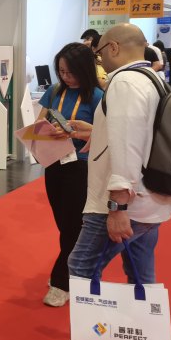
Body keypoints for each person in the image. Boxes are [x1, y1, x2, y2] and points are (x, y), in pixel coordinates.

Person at [34, 24, 171, 340]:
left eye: (100, 51)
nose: (98, 58)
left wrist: (118, 206)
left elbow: (128, 144)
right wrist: (95, 132)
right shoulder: (152, 80)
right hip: (149, 200)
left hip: (122, 203)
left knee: (82, 267)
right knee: (140, 277)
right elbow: (137, 135)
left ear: (114, 47)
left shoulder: (124, 83)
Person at [36, 43, 103, 307]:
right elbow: (39, 123)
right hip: (54, 162)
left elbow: (104, 135)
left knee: (74, 225)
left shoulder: (97, 97)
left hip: (82, 166)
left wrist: (75, 133)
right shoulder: (55, 91)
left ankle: (61, 282)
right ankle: (74, 270)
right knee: (64, 224)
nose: (66, 77)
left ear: (84, 69)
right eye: (61, 71)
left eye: (71, 72)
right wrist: (45, 131)